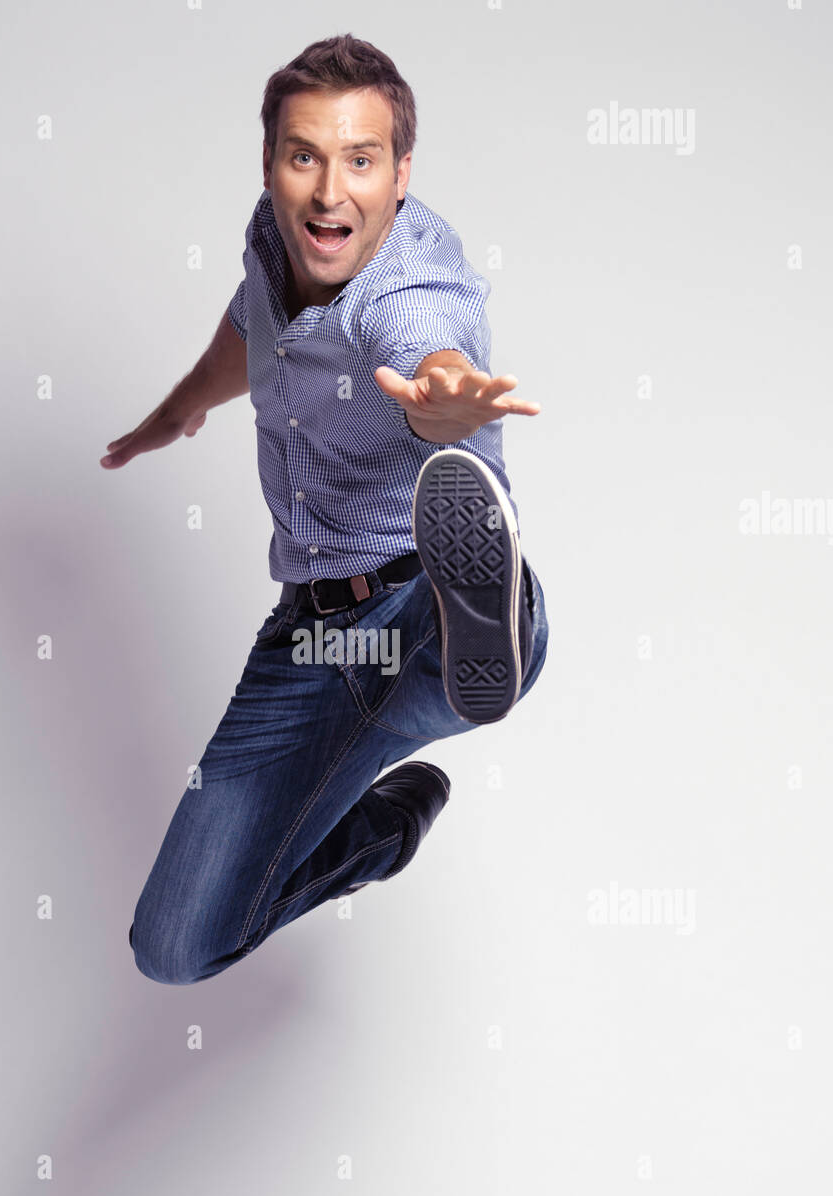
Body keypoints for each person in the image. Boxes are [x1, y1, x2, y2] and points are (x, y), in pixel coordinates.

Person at [101, 34, 550, 985]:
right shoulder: (274, 239)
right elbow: (253, 320)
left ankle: (493, 622)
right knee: (173, 948)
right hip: (316, 637)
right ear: (270, 164)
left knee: (446, 638)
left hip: (413, 600)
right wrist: (186, 400)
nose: (329, 191)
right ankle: (384, 830)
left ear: (400, 172)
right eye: (305, 157)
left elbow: (430, 351)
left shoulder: (407, 290)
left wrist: (446, 397)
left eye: (361, 159)